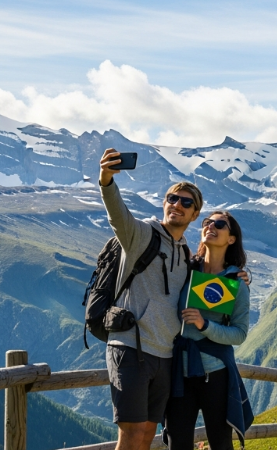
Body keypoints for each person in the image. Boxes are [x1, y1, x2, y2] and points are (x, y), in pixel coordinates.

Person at [99, 148, 202, 450]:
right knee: (129, 436)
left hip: (165, 356)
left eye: (187, 203)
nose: (177, 205)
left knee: (145, 436)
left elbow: (214, 279)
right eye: (173, 198)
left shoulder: (185, 253)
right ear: (164, 203)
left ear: (195, 214)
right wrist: (106, 179)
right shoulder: (141, 235)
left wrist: (241, 277)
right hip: (131, 348)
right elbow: (117, 213)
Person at [164, 211, 252, 450]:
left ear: (231, 239)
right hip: (179, 371)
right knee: (177, 443)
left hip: (216, 374)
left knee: (220, 443)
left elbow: (239, 333)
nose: (211, 226)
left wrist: (205, 325)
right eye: (207, 222)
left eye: (220, 224)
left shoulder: (236, 283)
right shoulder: (184, 270)